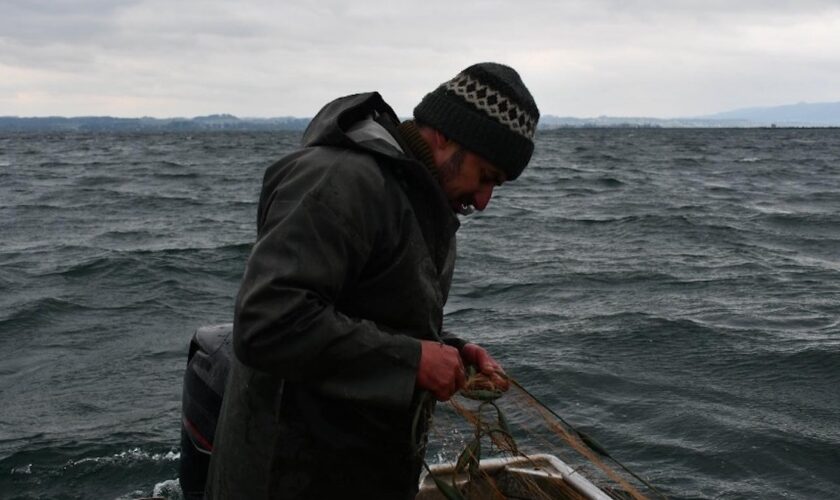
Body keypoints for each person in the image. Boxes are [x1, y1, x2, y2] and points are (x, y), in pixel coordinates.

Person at [205, 62, 540, 499]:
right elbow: (267, 321)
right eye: (485, 177)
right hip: (287, 480)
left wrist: (448, 349)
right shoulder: (342, 179)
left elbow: (366, 311)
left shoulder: (420, 198)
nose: (484, 201)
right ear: (444, 134)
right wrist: (414, 361)